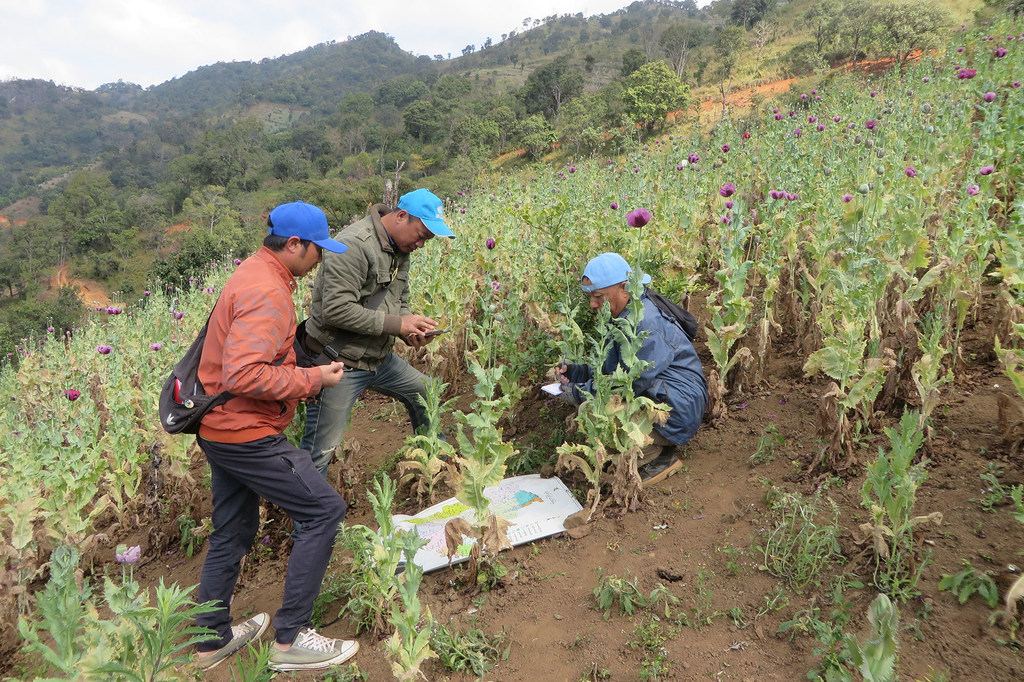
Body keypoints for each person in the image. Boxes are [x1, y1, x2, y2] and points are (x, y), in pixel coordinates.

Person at [192, 201, 359, 672]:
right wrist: (313, 381)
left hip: (218, 427)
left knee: (234, 528)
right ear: (293, 245)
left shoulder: (253, 272)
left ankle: (211, 640)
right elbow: (244, 373)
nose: (320, 260)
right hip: (245, 431)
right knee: (324, 509)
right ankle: (291, 641)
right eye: (316, 250)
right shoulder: (269, 290)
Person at [299, 188, 454, 475]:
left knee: (426, 391)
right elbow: (336, 310)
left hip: (377, 358)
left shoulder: (401, 248)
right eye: (421, 235)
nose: (421, 244)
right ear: (402, 216)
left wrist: (409, 328)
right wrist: (398, 325)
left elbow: (399, 300)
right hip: (337, 362)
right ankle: (311, 517)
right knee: (320, 450)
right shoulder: (353, 245)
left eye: (428, 240)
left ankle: (437, 470)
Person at [556, 252, 707, 486]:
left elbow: (630, 381)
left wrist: (578, 393)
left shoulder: (646, 323)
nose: (593, 304)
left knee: (594, 411)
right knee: (597, 408)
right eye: (590, 297)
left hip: (678, 410)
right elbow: (612, 370)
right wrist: (578, 373)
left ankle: (655, 456)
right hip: (663, 395)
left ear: (624, 288)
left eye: (598, 296)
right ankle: (643, 446)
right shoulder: (624, 314)